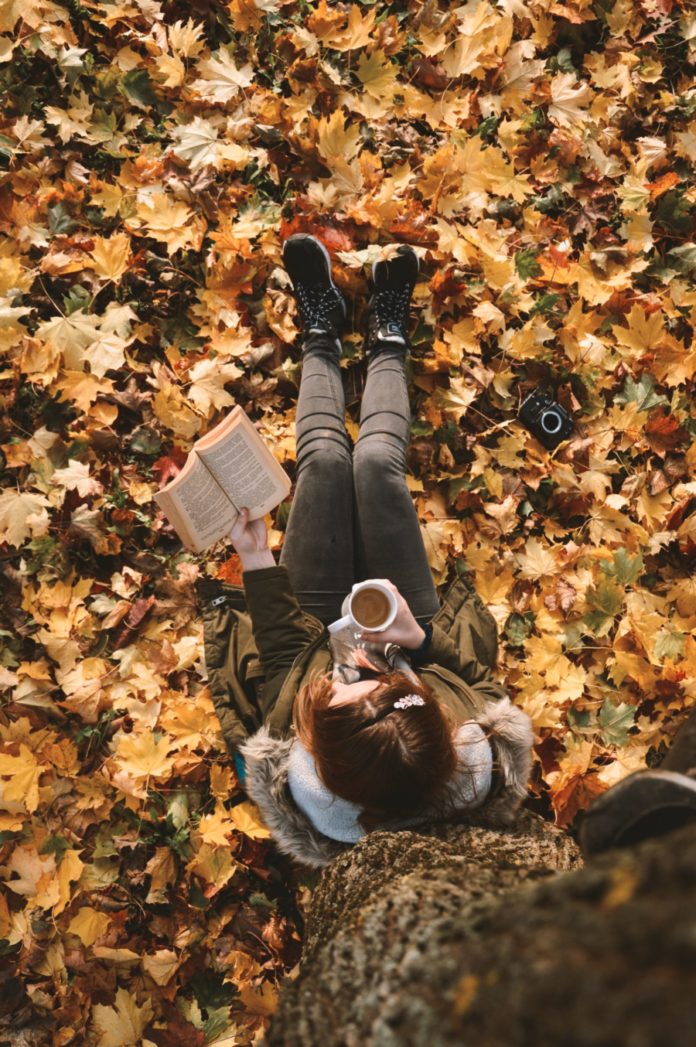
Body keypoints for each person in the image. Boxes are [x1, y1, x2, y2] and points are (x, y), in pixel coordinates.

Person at [197, 235, 534, 867]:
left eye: (343, 687)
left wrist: (256, 561)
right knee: (376, 465)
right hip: (408, 620)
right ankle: (388, 337)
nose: (357, 663)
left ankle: (320, 334)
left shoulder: (303, 755)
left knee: (324, 462)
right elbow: (477, 678)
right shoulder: (468, 737)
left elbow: (284, 652)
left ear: (316, 742)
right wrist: (417, 645)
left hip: (313, 627)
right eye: (377, 681)